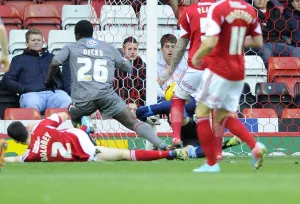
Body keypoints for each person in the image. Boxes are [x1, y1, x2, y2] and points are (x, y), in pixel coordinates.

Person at [46, 20, 168, 150]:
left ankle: (87, 141)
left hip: (84, 99)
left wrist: (49, 80)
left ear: (76, 35)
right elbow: (127, 68)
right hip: (107, 97)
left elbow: (55, 62)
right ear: (92, 33)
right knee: (133, 122)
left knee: (74, 113)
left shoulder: (71, 47)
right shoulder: (108, 47)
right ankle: (160, 143)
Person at [191, 0, 265, 173]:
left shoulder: (219, 8)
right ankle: (255, 146)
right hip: (238, 71)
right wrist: (237, 39)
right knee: (224, 115)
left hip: (219, 69)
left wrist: (197, 56)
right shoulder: (250, 10)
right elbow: (258, 41)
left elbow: (211, 41)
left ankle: (211, 164)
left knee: (201, 112)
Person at [0, 112, 187, 168]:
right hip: (80, 139)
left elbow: (13, 159)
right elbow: (63, 115)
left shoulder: (29, 156)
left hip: (85, 155)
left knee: (124, 155)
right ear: (26, 128)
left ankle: (169, 153)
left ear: (16, 142)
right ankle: (85, 126)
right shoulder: (41, 126)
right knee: (73, 128)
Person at [157, 0, 216, 149]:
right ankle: (217, 147)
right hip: (218, 68)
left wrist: (168, 72)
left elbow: (181, 44)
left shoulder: (190, 11)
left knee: (178, 99)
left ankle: (176, 138)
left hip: (196, 66)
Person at [136, 100, 241, 159]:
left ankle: (175, 140)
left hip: (193, 128)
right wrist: (148, 119)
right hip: (190, 137)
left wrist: (145, 118)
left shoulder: (189, 103)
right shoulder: (169, 104)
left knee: (178, 114)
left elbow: (140, 112)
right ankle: (227, 144)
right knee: (187, 153)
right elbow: (140, 111)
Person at [2, 28, 71, 113]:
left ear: (43, 42)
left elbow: (60, 77)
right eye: (33, 40)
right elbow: (6, 80)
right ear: (26, 43)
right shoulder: (18, 59)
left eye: (39, 40)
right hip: (31, 94)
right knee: (31, 103)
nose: (36, 42)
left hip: (53, 94)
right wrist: (24, 88)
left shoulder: (51, 57)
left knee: (66, 100)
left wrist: (58, 85)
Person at [251, 0, 299, 66]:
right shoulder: (250, 11)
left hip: (277, 42)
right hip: (261, 43)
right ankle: (272, 77)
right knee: (267, 54)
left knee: (297, 51)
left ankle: (294, 77)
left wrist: (266, 24)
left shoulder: (275, 11)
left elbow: (284, 28)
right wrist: (272, 25)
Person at [114, 36, 146, 107]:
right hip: (119, 103)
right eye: (129, 49)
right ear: (123, 49)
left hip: (138, 104)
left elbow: (143, 89)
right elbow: (114, 87)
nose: (132, 52)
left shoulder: (143, 67)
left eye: (135, 49)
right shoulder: (115, 66)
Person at [157, 34, 187, 101]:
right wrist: (168, 94)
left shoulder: (184, 64)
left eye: (173, 47)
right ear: (161, 49)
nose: (170, 50)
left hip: (179, 98)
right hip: (162, 98)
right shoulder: (155, 65)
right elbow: (154, 89)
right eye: (167, 46)